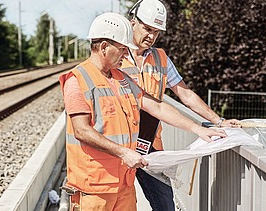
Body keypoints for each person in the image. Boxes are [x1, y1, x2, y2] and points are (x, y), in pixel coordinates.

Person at [59, 12, 226, 211]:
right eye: (122, 49)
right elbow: (82, 131)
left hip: (123, 184)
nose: (125, 54)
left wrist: (197, 128)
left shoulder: (121, 78)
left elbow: (156, 106)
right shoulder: (77, 80)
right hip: (95, 189)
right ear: (104, 47)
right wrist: (123, 152)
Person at [120, 0, 241, 210]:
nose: (151, 36)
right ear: (132, 23)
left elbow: (185, 94)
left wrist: (218, 121)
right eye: (147, 29)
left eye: (156, 32)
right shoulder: (116, 55)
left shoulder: (161, 59)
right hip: (118, 147)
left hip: (150, 148)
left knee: (166, 205)